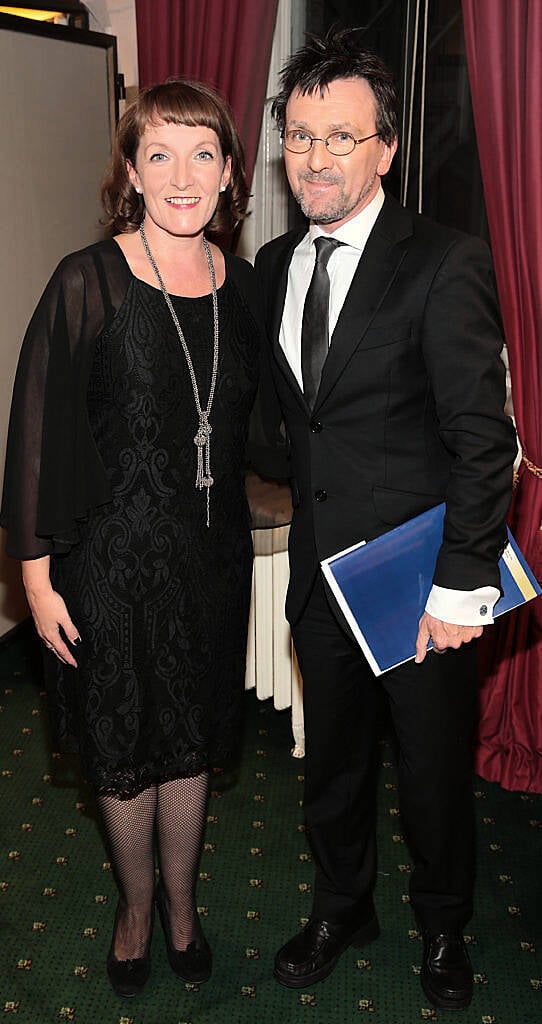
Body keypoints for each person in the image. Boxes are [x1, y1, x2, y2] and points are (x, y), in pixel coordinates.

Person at [253, 28, 517, 1011]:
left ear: (386, 148)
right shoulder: (273, 263)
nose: (316, 156)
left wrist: (460, 586)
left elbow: (480, 443)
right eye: (299, 134)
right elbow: (288, 418)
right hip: (319, 578)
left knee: (433, 774)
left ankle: (443, 925)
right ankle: (340, 903)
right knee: (330, 765)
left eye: (340, 136)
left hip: (418, 589)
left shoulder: (444, 264)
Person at [1, 80, 263, 997]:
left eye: (203, 154)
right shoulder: (88, 278)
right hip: (109, 571)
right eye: (160, 154)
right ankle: (137, 909)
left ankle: (183, 909)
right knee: (124, 749)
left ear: (231, 172)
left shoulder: (244, 284)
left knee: (186, 744)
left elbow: (268, 428)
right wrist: (35, 585)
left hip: (210, 562)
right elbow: (33, 433)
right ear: (133, 171)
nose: (182, 176)